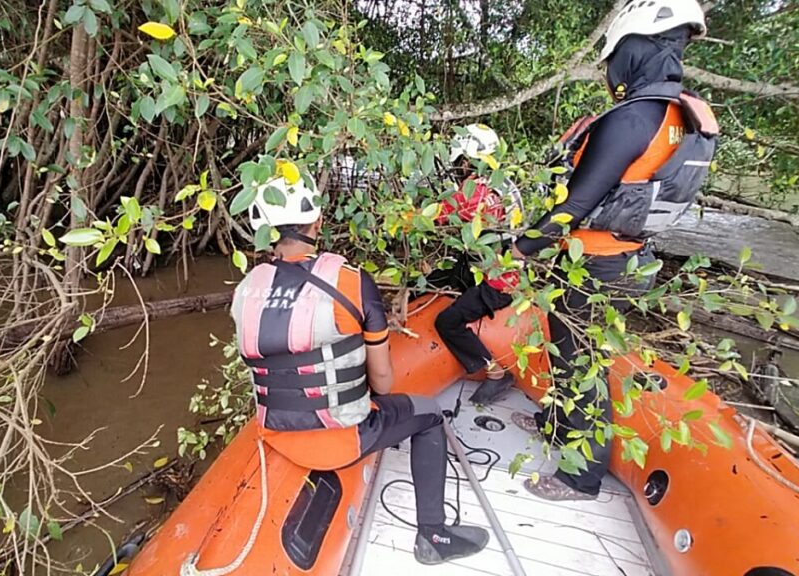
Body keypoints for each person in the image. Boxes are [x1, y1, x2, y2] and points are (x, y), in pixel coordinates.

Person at [507, 0, 718, 501]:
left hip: (597, 262)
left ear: (635, 48)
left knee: (580, 363)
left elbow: (579, 199)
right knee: (571, 351)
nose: (611, 71)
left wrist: (524, 245)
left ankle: (580, 477)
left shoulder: (634, 116)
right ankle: (559, 427)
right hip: (627, 258)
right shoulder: (679, 114)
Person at [229, 173, 490, 565]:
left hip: (275, 432)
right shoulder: (350, 281)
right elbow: (383, 382)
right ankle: (433, 535)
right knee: (430, 414)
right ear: (316, 223)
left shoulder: (246, 288)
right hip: (339, 439)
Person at [433, 125, 522, 404]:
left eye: (460, 162)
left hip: (499, 283)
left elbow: (434, 217)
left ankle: (496, 374)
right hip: (504, 268)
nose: (459, 169)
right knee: (446, 274)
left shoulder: (476, 192)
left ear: (467, 159)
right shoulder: (503, 184)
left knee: (447, 322)